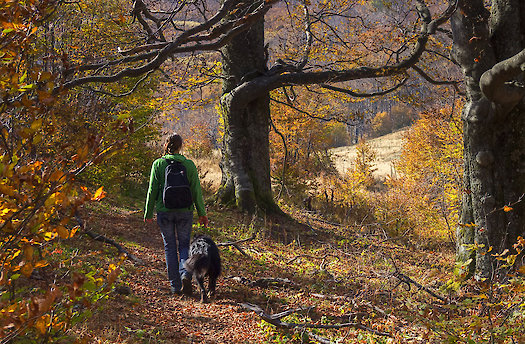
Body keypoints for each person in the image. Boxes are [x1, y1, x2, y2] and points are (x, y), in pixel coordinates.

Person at [144, 133, 208, 295]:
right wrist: (202, 213)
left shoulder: (158, 164)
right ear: (180, 146)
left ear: (166, 145)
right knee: (185, 245)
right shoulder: (189, 165)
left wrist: (148, 212)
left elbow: (152, 190)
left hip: (164, 211)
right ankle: (185, 273)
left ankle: (175, 286)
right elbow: (196, 191)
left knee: (170, 247)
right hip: (185, 211)